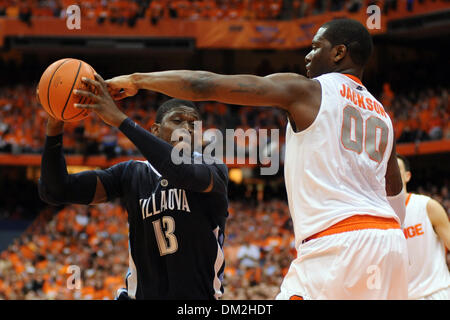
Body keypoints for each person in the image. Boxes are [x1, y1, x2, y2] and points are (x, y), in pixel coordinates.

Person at [106, 18, 408, 299]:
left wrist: (137, 80)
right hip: (391, 244)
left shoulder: (308, 91)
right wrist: (390, 236)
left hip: (337, 244)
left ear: (339, 53)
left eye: (316, 47)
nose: (307, 55)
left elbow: (205, 84)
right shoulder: (381, 114)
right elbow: (394, 189)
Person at [38, 76, 229, 300]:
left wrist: (120, 120)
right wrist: (54, 127)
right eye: (178, 120)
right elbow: (55, 190)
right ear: (155, 131)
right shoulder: (131, 173)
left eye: (193, 123)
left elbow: (181, 172)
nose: (187, 127)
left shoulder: (213, 168)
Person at [397, 154, 450, 300]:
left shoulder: (427, 206)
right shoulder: (378, 217)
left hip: (436, 292)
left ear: (407, 176)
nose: (391, 173)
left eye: (396, 169)